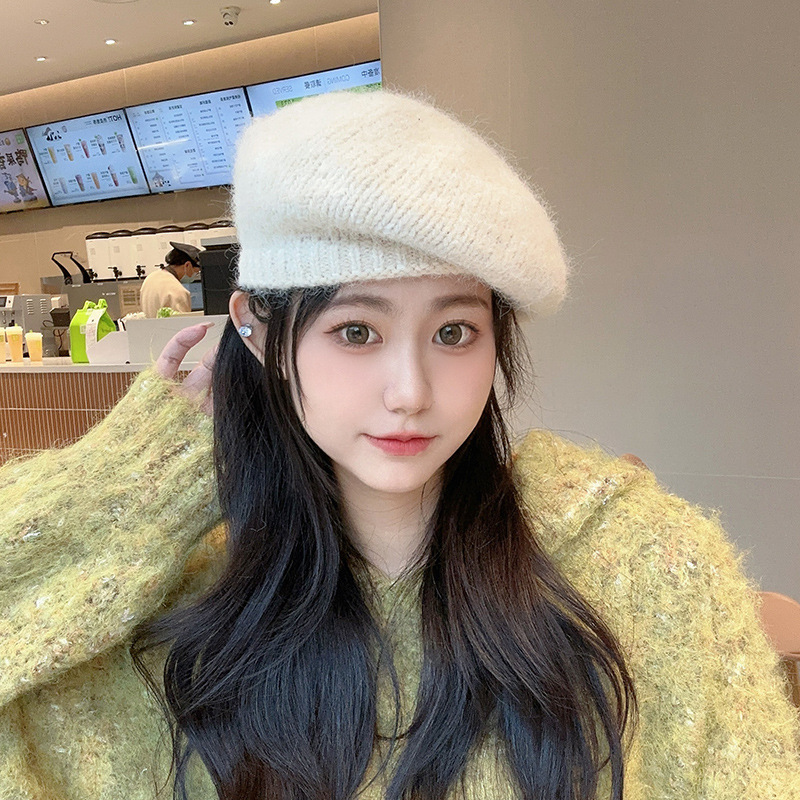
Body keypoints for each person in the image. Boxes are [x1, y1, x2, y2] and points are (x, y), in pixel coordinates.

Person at [1, 89, 798, 800]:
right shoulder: (171, 616)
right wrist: (147, 476)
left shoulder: (632, 557)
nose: (411, 390)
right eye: (356, 331)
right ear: (257, 330)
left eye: (454, 332)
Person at [139, 241, 202, 318]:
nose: (195, 275)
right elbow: (182, 323)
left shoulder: (150, 278)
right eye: (196, 272)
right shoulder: (177, 290)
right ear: (187, 265)